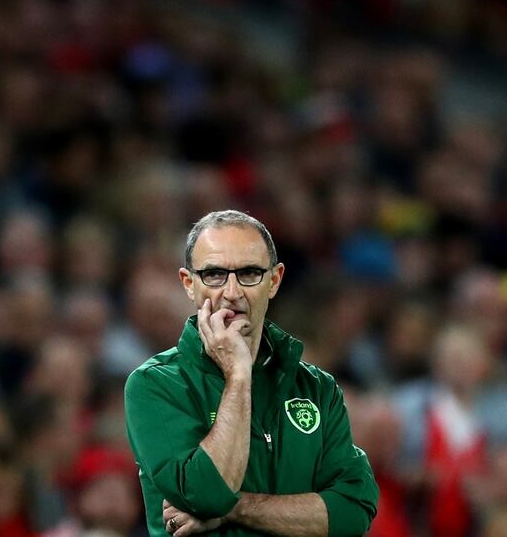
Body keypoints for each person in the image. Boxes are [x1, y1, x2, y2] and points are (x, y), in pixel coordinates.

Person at [124, 210, 378, 537]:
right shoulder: (155, 384)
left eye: (248, 273)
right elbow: (206, 496)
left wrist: (236, 508)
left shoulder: (318, 389)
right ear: (189, 284)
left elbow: (353, 512)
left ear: (274, 281)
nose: (231, 292)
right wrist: (239, 375)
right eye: (214, 274)